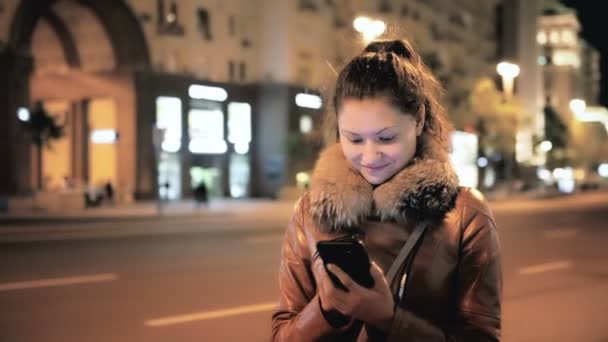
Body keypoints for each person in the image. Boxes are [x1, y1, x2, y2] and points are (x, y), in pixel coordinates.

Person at [272, 38, 502, 341]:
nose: (369, 156)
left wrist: (389, 318)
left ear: (418, 119)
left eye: (386, 138)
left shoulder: (466, 215)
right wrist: (325, 311)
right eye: (354, 139)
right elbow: (282, 334)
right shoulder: (311, 211)